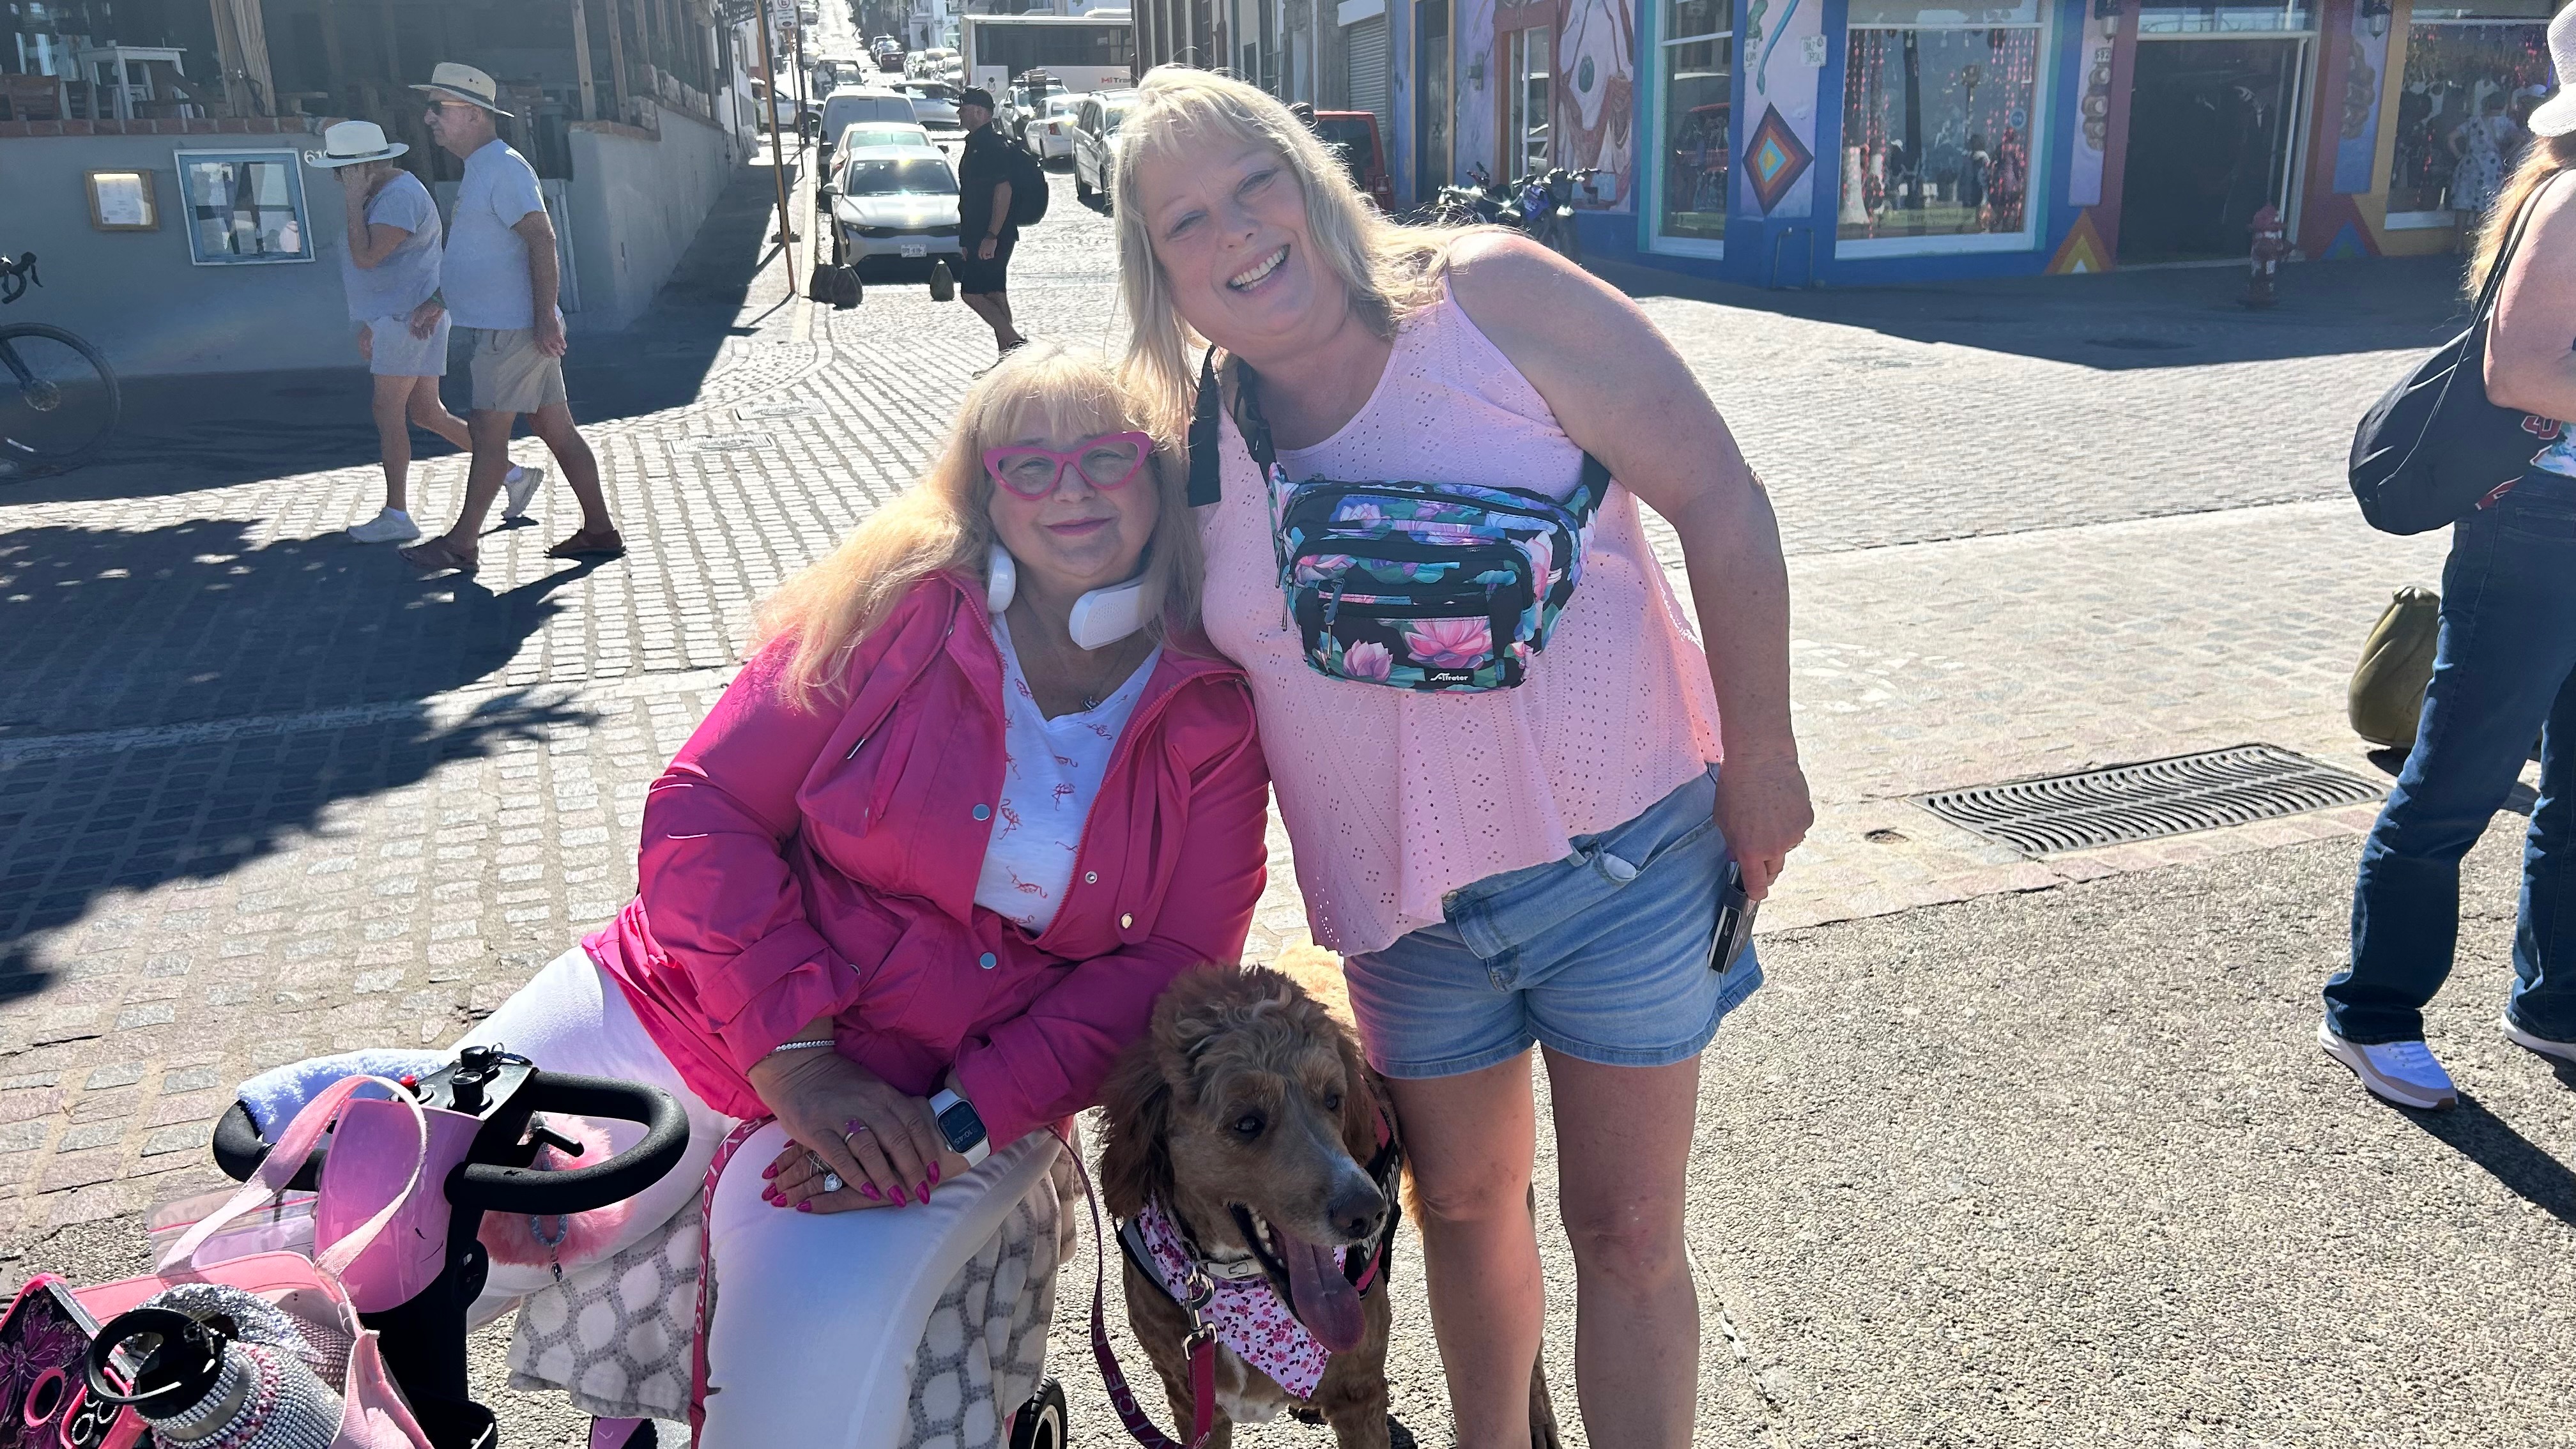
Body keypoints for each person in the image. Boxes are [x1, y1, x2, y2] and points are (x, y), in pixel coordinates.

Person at [1112, 68, 1809, 1449]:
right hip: (1401, 925)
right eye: (1186, 220)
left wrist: (1765, 755)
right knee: (1470, 1214)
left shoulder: (1490, 299)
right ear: (1159, 270)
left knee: (1625, 1229)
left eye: (1254, 181)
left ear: (1313, 175)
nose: (1236, 230)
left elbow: (1723, 498)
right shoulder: (1193, 439)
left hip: (1624, 864)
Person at [452, 342, 1269, 1448]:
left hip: (921, 1112)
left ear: (1159, 476)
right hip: (680, 998)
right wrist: (795, 1058)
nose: (1068, 489)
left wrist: (959, 1124)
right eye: (1028, 464)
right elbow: (703, 810)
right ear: (985, 492)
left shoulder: (1208, 708)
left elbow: (1168, 966)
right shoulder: (893, 606)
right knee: (392, 1213)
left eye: (1105, 457)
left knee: (800, 1386)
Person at [2324, 8, 2576, 1110]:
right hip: (2539, 530)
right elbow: (2519, 373)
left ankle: (2554, 1002)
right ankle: (2371, 1013)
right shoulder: (2573, 199)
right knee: (2453, 787)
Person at [397, 63, 624, 574]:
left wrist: (544, 318)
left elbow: (541, 238)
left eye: (438, 108)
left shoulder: (501, 167)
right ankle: (600, 530)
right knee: (555, 429)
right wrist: (442, 297)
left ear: (473, 114)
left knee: (487, 435)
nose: (429, 118)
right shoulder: (485, 167)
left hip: (512, 331)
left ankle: (461, 544)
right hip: (514, 327)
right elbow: (486, 253)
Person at [303, 120, 537, 546]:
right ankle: (514, 475)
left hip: (407, 321)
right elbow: (391, 270)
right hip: (399, 319)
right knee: (427, 413)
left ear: (359, 168)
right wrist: (370, 322)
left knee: (388, 411)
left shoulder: (398, 198)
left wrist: (353, 201)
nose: (337, 179)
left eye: (341, 170)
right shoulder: (388, 194)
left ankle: (397, 515)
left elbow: (367, 258)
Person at [954, 88, 1027, 362]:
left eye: (964, 108)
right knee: (995, 293)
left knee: (971, 293)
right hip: (981, 234)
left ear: (979, 112)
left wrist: (991, 235)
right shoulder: (976, 143)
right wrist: (966, 239)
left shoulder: (991, 147)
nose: (959, 113)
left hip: (993, 234)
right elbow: (970, 196)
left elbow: (1003, 191)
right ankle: (1008, 360)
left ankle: (1017, 343)